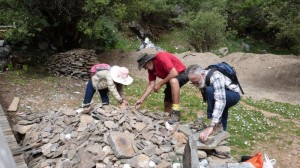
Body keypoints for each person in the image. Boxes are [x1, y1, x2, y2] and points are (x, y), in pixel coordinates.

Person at [186, 64, 241, 142]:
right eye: (193, 83)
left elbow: (220, 101)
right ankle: (221, 133)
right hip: (224, 94)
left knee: (210, 91)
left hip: (233, 95)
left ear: (202, 74)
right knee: (221, 112)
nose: (195, 85)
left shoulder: (215, 76)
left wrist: (212, 125)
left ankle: (215, 126)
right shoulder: (202, 78)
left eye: (196, 82)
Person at [135, 51, 189, 124]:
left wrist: (159, 84)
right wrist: (141, 99)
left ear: (148, 62)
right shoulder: (151, 70)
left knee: (173, 81)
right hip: (170, 79)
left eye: (144, 66)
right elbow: (151, 85)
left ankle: (176, 112)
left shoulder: (161, 56)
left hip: (181, 73)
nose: (144, 68)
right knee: (167, 103)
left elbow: (174, 73)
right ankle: (169, 121)